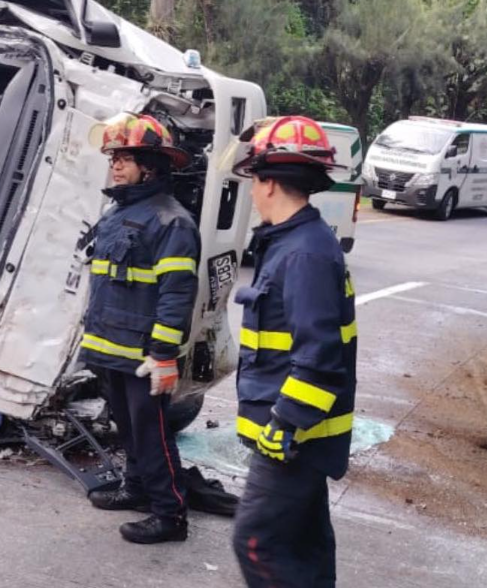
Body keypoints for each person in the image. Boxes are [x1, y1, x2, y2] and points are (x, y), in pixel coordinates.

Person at [229, 115, 358, 587]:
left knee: (256, 541)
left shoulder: (303, 252)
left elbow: (319, 359)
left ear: (268, 182)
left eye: (251, 180)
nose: (249, 191)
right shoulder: (295, 243)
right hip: (298, 434)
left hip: (292, 437)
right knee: (304, 543)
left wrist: (283, 425)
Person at [81, 113, 200, 544]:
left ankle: (170, 514)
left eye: (125, 157)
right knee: (126, 428)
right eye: (113, 156)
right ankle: (135, 487)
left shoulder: (172, 222)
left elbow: (176, 295)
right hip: (111, 348)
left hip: (144, 356)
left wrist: (164, 355)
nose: (115, 165)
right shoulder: (119, 213)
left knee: (153, 436)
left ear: (150, 164)